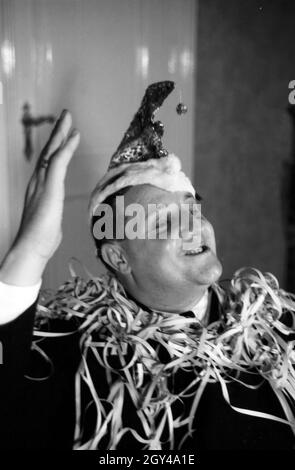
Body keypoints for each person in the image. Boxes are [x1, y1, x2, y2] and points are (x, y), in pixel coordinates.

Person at [0, 82, 294, 450]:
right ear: (118, 258)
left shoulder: (276, 323)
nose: (193, 227)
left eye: (192, 208)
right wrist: (29, 253)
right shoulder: (72, 354)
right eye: (161, 222)